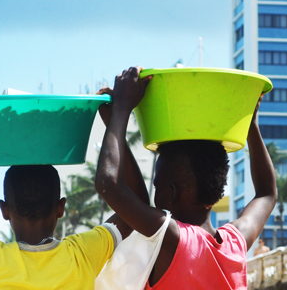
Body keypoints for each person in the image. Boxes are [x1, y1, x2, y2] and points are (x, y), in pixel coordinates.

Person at [0, 89, 146, 289]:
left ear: (4, 210)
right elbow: (138, 207)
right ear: (61, 207)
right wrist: (112, 122)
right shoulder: (82, 254)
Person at [95, 66, 277, 289]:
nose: (152, 193)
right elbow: (267, 193)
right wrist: (251, 124)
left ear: (171, 193)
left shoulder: (173, 238)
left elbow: (109, 186)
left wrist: (121, 110)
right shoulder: (234, 243)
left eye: (156, 185)